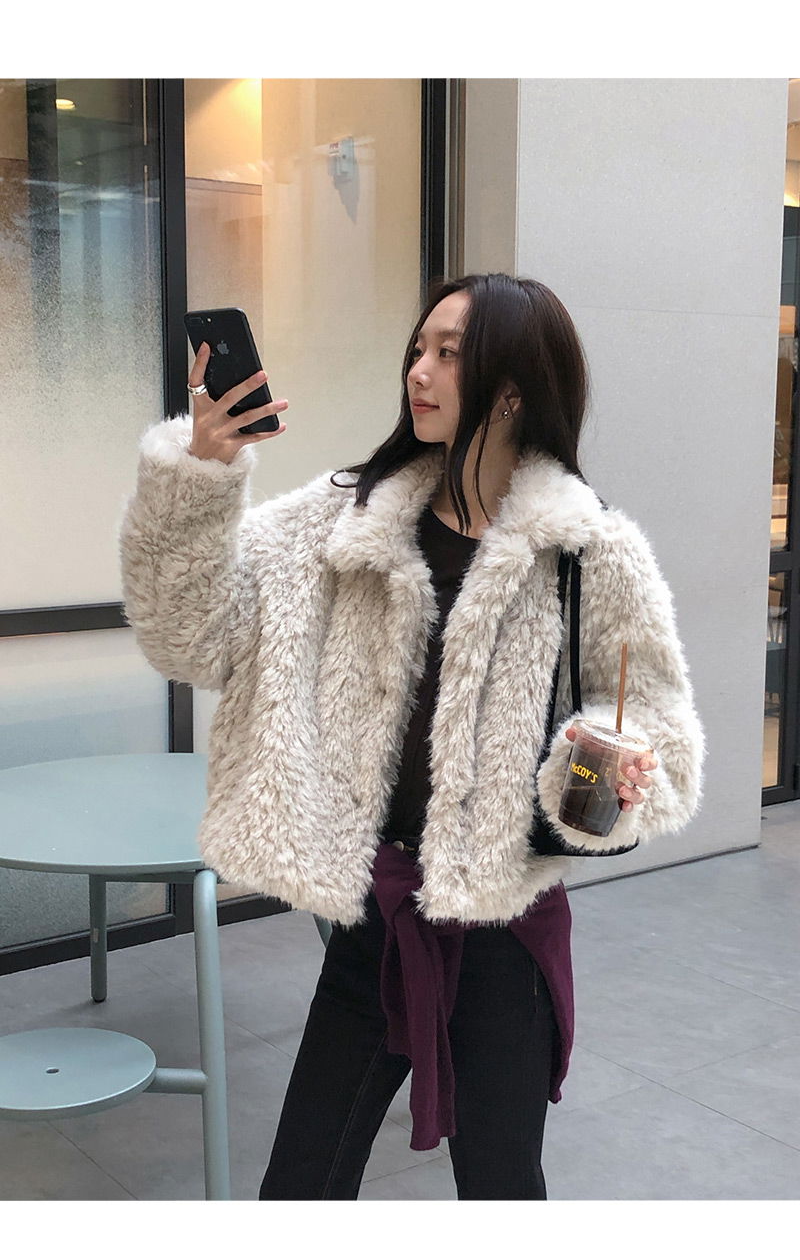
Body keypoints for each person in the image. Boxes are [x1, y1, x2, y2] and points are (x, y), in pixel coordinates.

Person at [120, 267, 705, 1202]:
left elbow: (660, 723)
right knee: (300, 1185)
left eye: (448, 352)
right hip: (374, 919)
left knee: (502, 1188)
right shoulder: (340, 519)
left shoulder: (590, 549)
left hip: (506, 932)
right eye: (417, 348)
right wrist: (202, 476)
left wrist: (607, 767)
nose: (418, 371)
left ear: (511, 389)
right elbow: (189, 635)